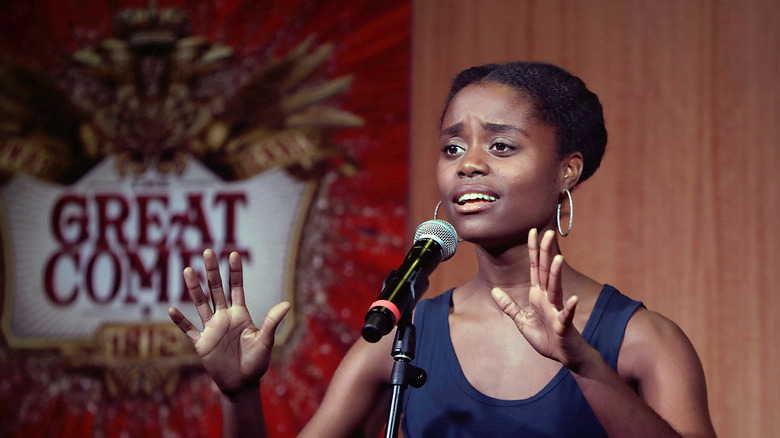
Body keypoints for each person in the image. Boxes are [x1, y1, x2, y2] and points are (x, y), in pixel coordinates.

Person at [168, 62, 717, 437]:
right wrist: (239, 396)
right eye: (453, 146)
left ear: (566, 170)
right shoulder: (402, 333)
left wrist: (587, 366)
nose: (468, 164)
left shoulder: (643, 339)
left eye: (501, 146)